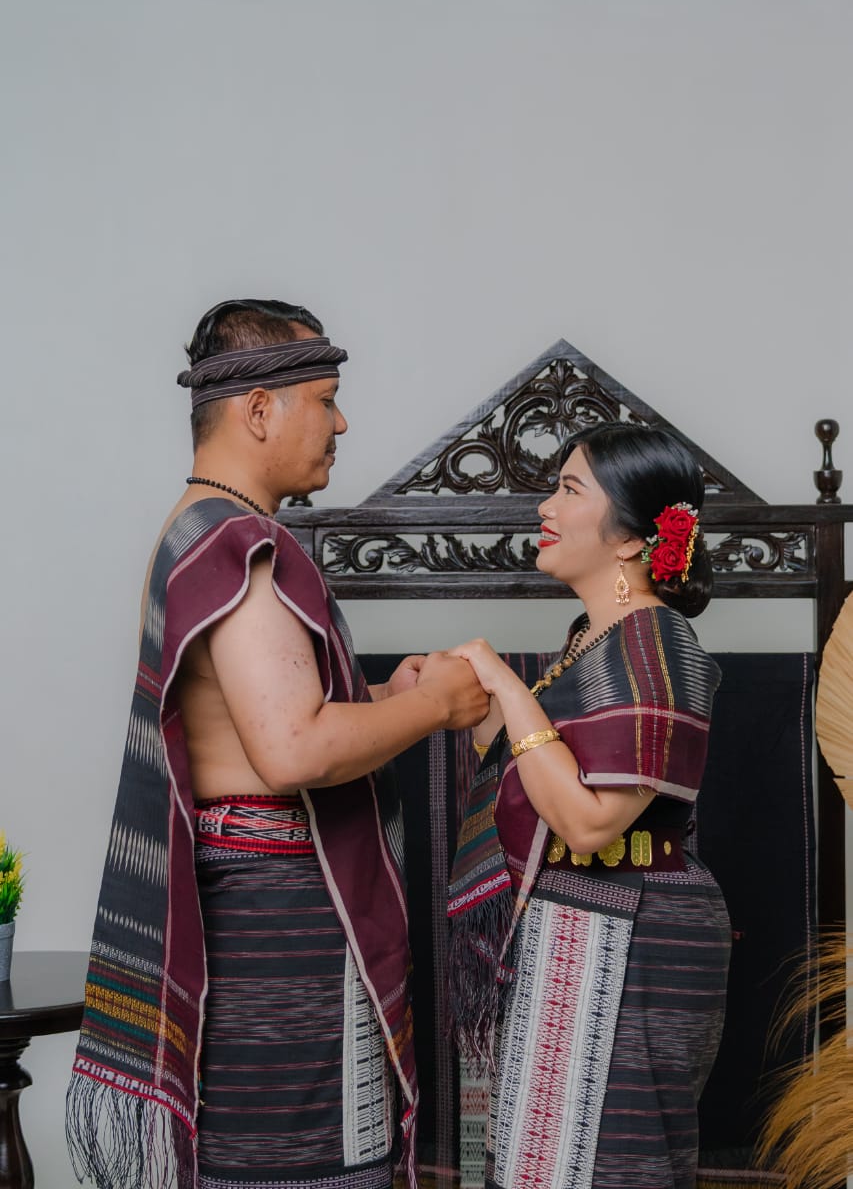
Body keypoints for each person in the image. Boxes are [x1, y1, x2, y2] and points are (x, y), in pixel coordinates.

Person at [66, 299, 489, 1189]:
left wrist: (383, 699)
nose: (342, 423)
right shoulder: (239, 542)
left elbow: (257, 723)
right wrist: (435, 706)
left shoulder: (198, 528)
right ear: (258, 410)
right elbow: (293, 750)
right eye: (326, 399)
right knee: (303, 1171)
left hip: (265, 909)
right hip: (278, 928)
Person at [446, 421, 731, 1189]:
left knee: (612, 1167)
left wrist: (507, 687)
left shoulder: (657, 645)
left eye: (569, 489)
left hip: (630, 936)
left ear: (630, 539)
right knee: (547, 1163)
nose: (545, 506)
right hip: (576, 924)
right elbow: (530, 769)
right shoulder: (594, 640)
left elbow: (585, 820)